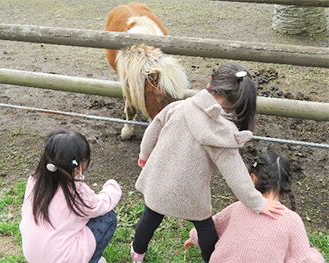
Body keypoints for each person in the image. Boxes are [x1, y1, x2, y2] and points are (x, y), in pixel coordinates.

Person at [131, 63, 284, 263]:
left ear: (210, 82)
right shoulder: (222, 133)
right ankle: (212, 259)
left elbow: (153, 128)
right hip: (192, 194)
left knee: (149, 219)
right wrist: (258, 202)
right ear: (239, 101)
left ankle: (137, 253)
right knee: (205, 228)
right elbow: (236, 176)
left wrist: (144, 154)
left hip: (160, 183)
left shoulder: (179, 106)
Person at [184, 149, 324, 263]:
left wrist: (194, 236)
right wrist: (316, 255)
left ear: (252, 178)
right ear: (286, 185)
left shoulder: (240, 206)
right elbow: (304, 260)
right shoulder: (292, 220)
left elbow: (213, 226)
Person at [19, 129, 122, 263]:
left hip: (33, 255)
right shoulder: (76, 191)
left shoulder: (35, 180)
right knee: (108, 217)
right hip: (61, 259)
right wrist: (112, 187)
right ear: (77, 165)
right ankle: (92, 260)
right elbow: (99, 206)